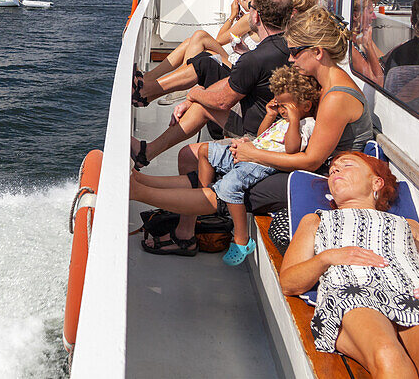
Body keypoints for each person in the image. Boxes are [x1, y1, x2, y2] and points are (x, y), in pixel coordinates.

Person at [280, 152, 419, 378]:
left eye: (346, 165)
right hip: (354, 291)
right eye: (332, 170)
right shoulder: (317, 220)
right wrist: (327, 257)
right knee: (387, 356)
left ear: (376, 182)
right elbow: (289, 284)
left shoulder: (409, 226)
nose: (335, 171)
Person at [130, 65, 319, 263]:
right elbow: (262, 135)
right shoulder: (282, 119)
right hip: (251, 151)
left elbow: (291, 149)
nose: (281, 110)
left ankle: (241, 238)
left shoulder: (306, 124)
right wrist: (271, 115)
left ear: (305, 106)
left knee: (229, 187)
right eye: (279, 105)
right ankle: (201, 196)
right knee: (205, 151)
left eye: (285, 107)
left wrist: (294, 120)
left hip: (261, 163)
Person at [130, 0, 293, 170]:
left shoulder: (255, 58)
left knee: (203, 91)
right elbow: (232, 84)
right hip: (273, 120)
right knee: (204, 72)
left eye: (251, 7)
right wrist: (197, 96)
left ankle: (145, 94)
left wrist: (194, 94)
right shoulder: (290, 48)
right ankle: (147, 148)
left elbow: (222, 102)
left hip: (259, 130)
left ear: (256, 16)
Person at [240, 5, 376, 215]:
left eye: (294, 51)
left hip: (331, 179)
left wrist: (254, 154)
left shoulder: (337, 97)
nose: (290, 59)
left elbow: (311, 161)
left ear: (317, 52)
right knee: (237, 176)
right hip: (321, 168)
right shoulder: (324, 84)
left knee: (244, 188)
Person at [133, 0, 263, 106]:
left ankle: (174, 86)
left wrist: (232, 16)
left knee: (200, 36)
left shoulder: (248, 18)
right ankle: (149, 80)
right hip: (240, 62)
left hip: (239, 68)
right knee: (191, 42)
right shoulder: (253, 16)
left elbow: (220, 39)